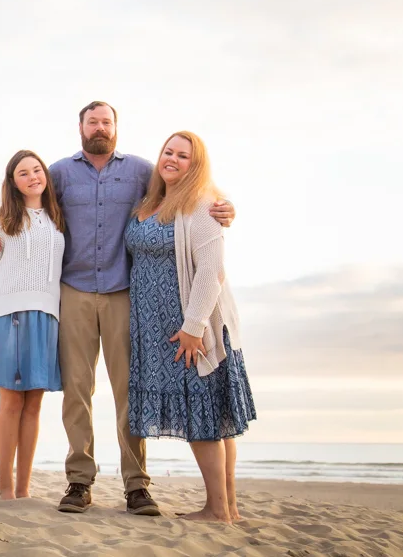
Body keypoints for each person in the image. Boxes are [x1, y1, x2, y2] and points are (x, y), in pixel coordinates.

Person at [0, 101, 235, 515]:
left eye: (106, 121)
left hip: (122, 292)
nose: (100, 127)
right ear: (80, 127)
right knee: (77, 390)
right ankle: (79, 481)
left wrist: (224, 207)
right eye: (92, 121)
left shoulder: (140, 171)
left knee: (128, 389)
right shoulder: (58, 172)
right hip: (72, 293)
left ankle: (137, 486)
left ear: (116, 128)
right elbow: (20, 203)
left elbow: (185, 191)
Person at [125, 131, 256, 523]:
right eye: (168, 152)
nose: (173, 159)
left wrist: (194, 326)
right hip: (157, 328)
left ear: (195, 164)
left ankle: (219, 508)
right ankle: (224, 507)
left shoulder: (202, 203)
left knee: (205, 414)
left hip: (191, 328)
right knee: (213, 416)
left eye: (184, 156)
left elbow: (212, 272)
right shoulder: (151, 201)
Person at [0, 149, 66, 500]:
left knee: (34, 405)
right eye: (23, 173)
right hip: (6, 316)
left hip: (47, 317)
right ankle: (5, 488)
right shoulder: (2, 218)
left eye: (37, 170)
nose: (32, 177)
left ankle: (24, 488)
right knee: (11, 403)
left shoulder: (58, 217)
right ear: (13, 182)